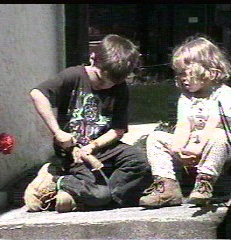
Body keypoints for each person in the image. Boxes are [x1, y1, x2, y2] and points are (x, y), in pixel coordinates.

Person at [24, 34, 152, 213]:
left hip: (102, 148)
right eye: (100, 79)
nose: (105, 87)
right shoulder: (73, 75)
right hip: (72, 151)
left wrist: (93, 146)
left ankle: (89, 196)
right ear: (93, 58)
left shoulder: (120, 87)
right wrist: (58, 132)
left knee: (139, 161)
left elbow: (117, 129)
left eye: (112, 83)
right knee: (101, 195)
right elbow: (37, 94)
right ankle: (55, 180)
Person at [139, 35, 231, 208]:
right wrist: (180, 148)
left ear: (209, 70)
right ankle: (167, 186)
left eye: (187, 73)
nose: (182, 79)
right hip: (193, 145)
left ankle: (205, 182)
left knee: (219, 136)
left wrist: (197, 148)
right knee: (156, 138)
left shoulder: (223, 93)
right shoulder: (186, 97)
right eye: (179, 74)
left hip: (218, 146)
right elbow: (183, 125)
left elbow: (213, 124)